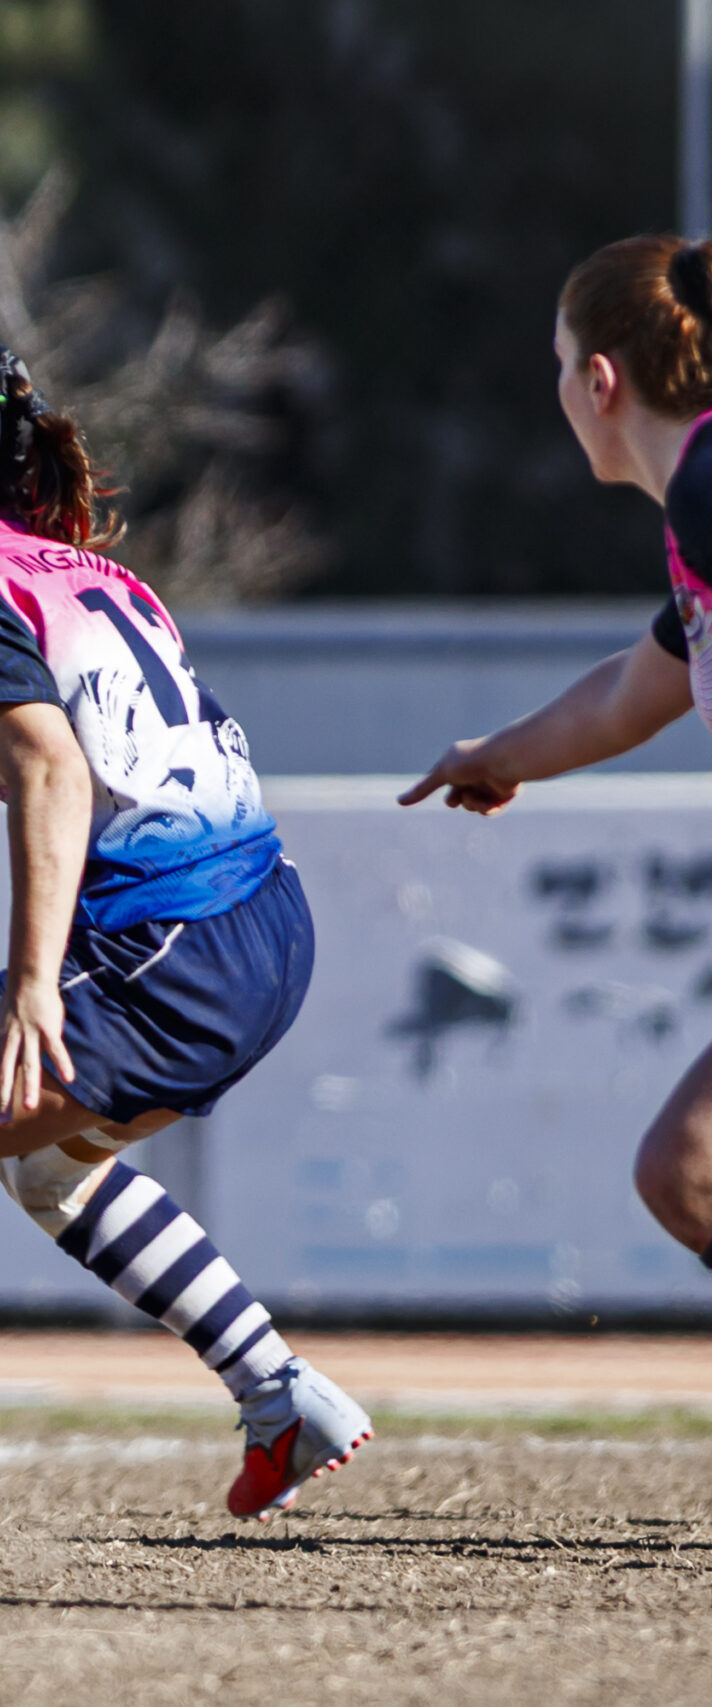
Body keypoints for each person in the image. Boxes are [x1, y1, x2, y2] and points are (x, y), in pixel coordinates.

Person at [0, 335, 373, 1565]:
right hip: (263, 921)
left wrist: (32, 991)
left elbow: (49, 768)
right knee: (49, 1164)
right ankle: (282, 1397)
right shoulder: (86, 572)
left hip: (172, 939)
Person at [402, 233, 712, 1266]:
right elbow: (635, 691)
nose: (558, 393)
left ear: (600, 379)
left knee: (690, 1168)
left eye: (555, 365)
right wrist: (497, 755)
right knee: (686, 1170)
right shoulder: (695, 511)